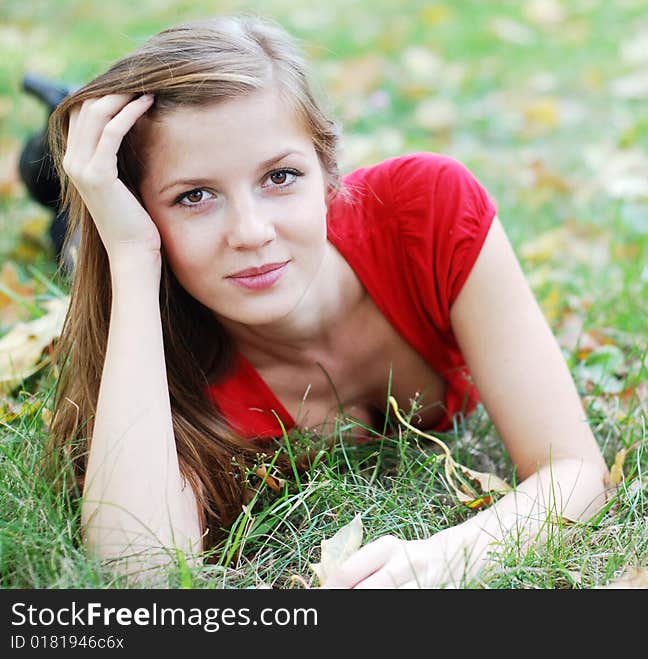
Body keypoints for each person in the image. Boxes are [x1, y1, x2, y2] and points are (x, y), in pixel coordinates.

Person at [45, 14, 610, 588]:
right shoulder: (174, 356)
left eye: (281, 176)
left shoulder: (428, 213)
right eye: (195, 195)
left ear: (328, 168)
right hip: (117, 241)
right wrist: (132, 256)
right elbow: (139, 573)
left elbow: (577, 472)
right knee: (56, 210)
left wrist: (447, 559)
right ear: (143, 212)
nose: (252, 231)